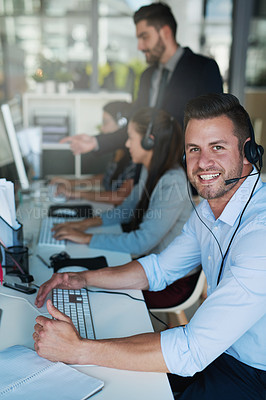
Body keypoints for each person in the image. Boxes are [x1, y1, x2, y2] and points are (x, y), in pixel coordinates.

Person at [34, 93, 266, 399]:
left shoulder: (259, 236)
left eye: (218, 148)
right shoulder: (208, 211)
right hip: (218, 352)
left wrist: (78, 350)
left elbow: (190, 349)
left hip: (253, 373)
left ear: (248, 152)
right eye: (194, 149)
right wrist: (79, 278)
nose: (203, 162)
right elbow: (158, 269)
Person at [60, 2, 223, 156]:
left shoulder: (203, 68)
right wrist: (96, 141)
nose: (140, 46)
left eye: (144, 37)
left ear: (165, 32)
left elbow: (210, 127)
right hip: (147, 173)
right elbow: (135, 126)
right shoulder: (147, 76)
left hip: (183, 173)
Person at [50, 101, 138, 205]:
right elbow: (107, 178)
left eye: (105, 122)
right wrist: (71, 183)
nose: (102, 128)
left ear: (122, 126)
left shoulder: (135, 157)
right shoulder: (118, 152)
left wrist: (77, 193)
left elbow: (119, 197)